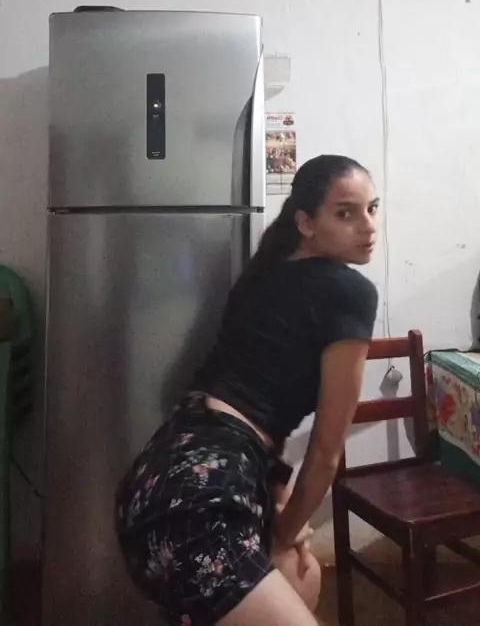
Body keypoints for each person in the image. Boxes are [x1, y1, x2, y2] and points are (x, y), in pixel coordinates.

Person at [115, 154, 379, 626]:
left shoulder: (260, 278)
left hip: (153, 481)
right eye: (346, 213)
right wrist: (283, 533)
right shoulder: (349, 291)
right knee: (295, 569)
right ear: (306, 223)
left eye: (372, 209)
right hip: (202, 503)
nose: (368, 226)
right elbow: (326, 453)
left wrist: (282, 514)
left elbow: (253, 408)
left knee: (303, 580)